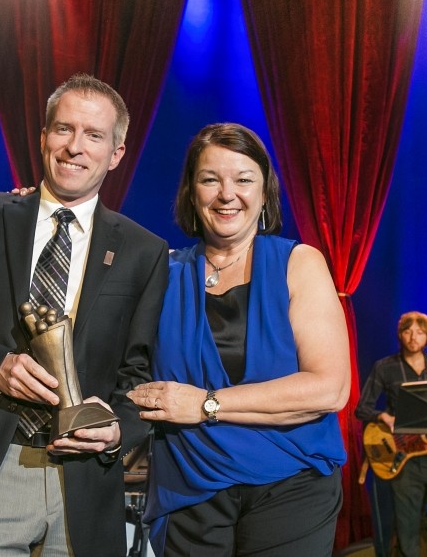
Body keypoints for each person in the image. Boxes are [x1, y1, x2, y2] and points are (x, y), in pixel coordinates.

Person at [0, 73, 169, 556]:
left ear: (115, 154)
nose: (75, 147)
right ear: (44, 136)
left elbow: (140, 371)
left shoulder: (144, 252)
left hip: (85, 481)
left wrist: (117, 432)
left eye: (93, 135)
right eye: (63, 129)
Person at [128, 122, 350, 556]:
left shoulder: (298, 262)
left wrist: (205, 404)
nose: (227, 194)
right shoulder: (161, 273)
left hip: (290, 487)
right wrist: (41, 212)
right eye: (210, 179)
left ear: (264, 192)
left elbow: (330, 388)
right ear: (191, 192)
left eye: (244, 180)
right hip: (188, 490)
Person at [355, 311, 427, 557]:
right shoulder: (385, 367)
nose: (413, 337)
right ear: (400, 334)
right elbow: (362, 409)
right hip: (403, 459)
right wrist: (383, 416)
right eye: (408, 331)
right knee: (407, 526)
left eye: (420, 332)